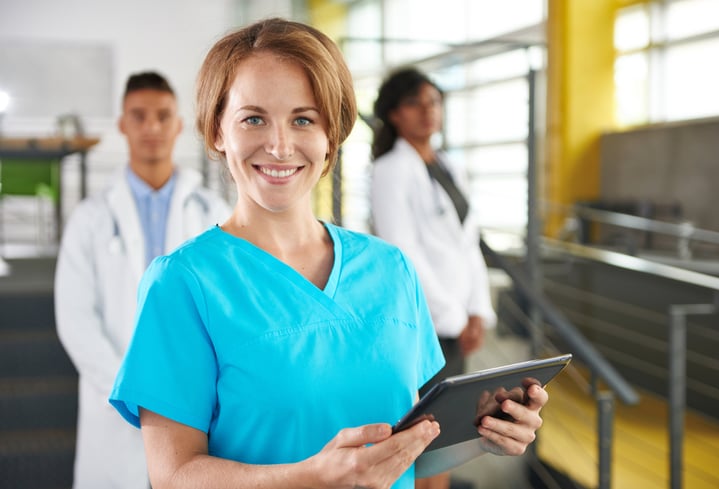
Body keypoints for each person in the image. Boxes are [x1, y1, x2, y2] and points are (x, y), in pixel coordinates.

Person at [108, 18, 547, 489]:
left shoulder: (391, 269)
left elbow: (405, 456)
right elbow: (173, 474)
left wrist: (486, 435)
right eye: (253, 118)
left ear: (331, 135)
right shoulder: (184, 283)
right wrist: (306, 478)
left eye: (303, 119)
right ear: (217, 130)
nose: (279, 146)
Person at [54, 71, 231, 489]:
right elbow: (75, 320)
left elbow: (227, 310)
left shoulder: (213, 212)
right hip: (113, 399)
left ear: (179, 125)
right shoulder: (90, 217)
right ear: (122, 124)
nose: (151, 127)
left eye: (162, 116)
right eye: (139, 116)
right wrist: (131, 387)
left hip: (197, 399)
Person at [370, 67, 498, 489]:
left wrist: (478, 310)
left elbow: (469, 244)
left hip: (456, 323)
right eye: (414, 103)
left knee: (448, 437)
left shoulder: (448, 167)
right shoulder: (390, 169)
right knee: (424, 442)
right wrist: (455, 318)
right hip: (424, 322)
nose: (428, 111)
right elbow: (402, 253)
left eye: (434, 102)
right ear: (393, 114)